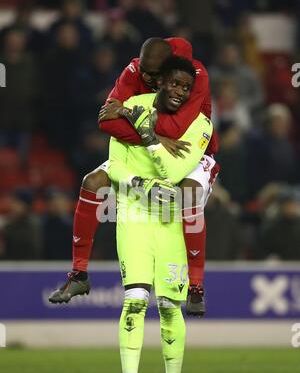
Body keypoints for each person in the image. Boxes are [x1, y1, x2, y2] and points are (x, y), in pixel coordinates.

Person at [48, 37, 219, 316]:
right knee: (92, 182)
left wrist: (128, 113)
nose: (148, 79)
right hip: (149, 148)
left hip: (193, 148)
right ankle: (79, 273)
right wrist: (154, 136)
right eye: (145, 73)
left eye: (155, 75)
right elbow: (105, 121)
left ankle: (196, 287)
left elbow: (178, 129)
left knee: (188, 194)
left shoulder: (193, 76)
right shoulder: (134, 71)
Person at [107, 55, 213, 373]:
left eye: (187, 87)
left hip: (170, 221)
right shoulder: (132, 105)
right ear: (160, 81)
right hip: (133, 213)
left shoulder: (200, 126)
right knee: (135, 300)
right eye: (174, 83)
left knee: (170, 306)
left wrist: (149, 136)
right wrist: (137, 180)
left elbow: (173, 171)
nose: (180, 91)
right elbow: (115, 166)